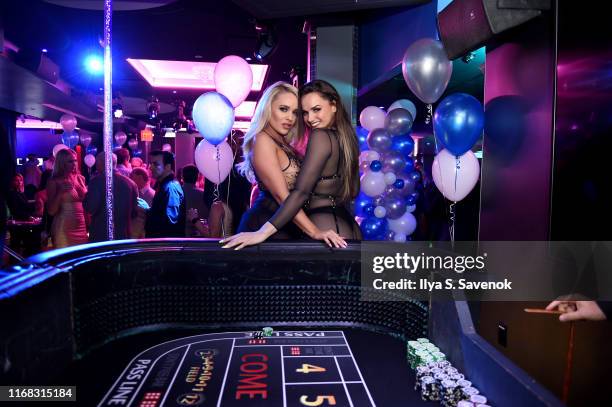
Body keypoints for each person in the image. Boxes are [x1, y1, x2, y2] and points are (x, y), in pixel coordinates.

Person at [223, 79, 361, 249]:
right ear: (267, 109)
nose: (290, 118)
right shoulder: (262, 139)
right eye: (283, 109)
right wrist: (314, 231)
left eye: (296, 112)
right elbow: (283, 196)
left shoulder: (285, 144)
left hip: (284, 226)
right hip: (265, 222)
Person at [84, 152, 139, 242]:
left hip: (101, 235)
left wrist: (84, 196)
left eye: (97, 163)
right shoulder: (131, 183)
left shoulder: (96, 181)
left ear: (101, 163)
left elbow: (90, 207)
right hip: (123, 234)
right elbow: (135, 211)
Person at [46, 148, 88, 248]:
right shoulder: (54, 181)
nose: (74, 164)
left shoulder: (81, 178)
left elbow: (85, 205)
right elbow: (51, 211)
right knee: (65, 260)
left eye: (75, 160)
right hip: (63, 228)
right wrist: (60, 192)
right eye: (70, 161)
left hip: (81, 227)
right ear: (62, 163)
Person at [144, 150, 185, 237]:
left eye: (156, 164)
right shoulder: (164, 184)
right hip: (162, 246)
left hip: (166, 247)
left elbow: (171, 222)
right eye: (151, 164)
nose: (150, 167)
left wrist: (147, 212)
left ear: (168, 167)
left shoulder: (171, 187)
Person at [181, 164, 209, 237]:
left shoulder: (176, 193)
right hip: (198, 237)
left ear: (182, 177)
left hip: (178, 236)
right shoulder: (203, 194)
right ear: (197, 177)